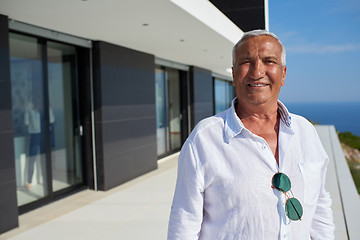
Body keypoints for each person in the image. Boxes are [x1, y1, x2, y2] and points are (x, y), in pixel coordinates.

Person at [167, 30, 335, 239]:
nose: (257, 71)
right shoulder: (204, 138)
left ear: (283, 74)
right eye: (246, 61)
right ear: (234, 74)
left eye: (269, 61)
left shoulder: (306, 132)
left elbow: (319, 205)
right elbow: (184, 224)